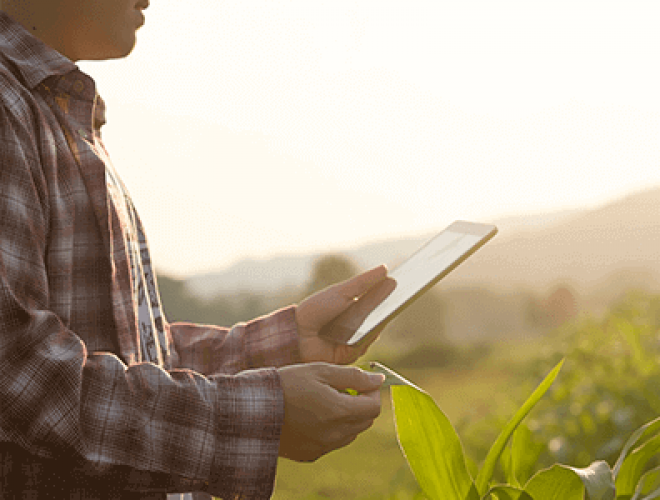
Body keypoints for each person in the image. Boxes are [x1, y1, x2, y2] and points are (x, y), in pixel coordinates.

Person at [0, 0, 397, 498]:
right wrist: (261, 416)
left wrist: (283, 342)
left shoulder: (53, 111)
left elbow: (129, 355)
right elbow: (18, 378)